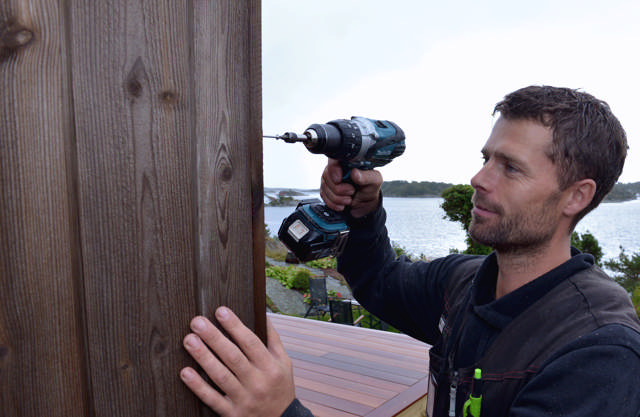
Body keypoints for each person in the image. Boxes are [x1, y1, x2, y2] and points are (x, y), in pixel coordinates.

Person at [180, 85, 640, 416]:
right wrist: (364, 212)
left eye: (511, 168)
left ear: (577, 197)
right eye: (486, 158)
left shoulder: (599, 352)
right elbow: (379, 282)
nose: (480, 179)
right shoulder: (465, 282)